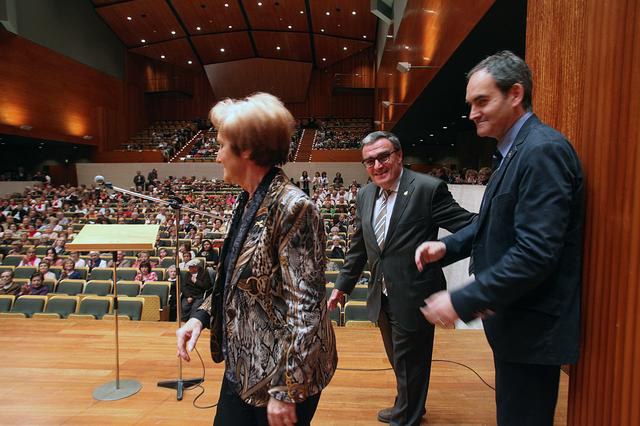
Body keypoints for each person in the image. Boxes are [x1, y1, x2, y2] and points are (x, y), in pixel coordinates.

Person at [415, 51, 585, 426]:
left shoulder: (542, 151)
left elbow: (535, 253)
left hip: (531, 327)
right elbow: (492, 222)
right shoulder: (512, 152)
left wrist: (462, 299)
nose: (472, 113)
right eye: (470, 104)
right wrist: (448, 246)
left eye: (482, 101)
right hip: (514, 323)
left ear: (515, 94)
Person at [176, 92, 336, 426]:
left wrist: (286, 390)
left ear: (246, 150)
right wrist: (200, 318)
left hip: (282, 372)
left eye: (221, 145)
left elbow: (306, 309)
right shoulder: (247, 198)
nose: (217, 156)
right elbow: (232, 277)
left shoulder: (294, 208)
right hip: (245, 363)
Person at [326, 130, 474, 425]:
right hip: (381, 295)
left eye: (383, 157)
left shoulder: (428, 189)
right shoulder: (365, 194)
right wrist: (342, 287)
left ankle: (407, 415)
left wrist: (445, 248)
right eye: (369, 161)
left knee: (410, 361)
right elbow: (359, 247)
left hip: (415, 293)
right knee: (400, 359)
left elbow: (473, 225)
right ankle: (410, 404)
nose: (377, 165)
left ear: (399, 156)